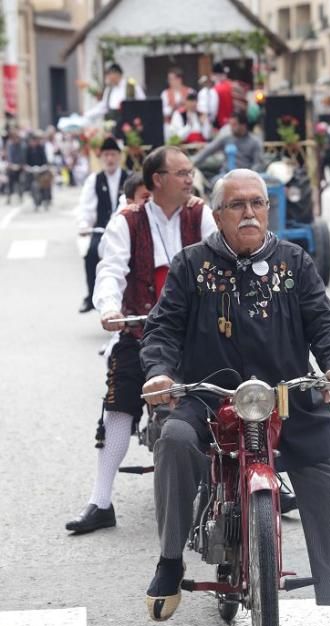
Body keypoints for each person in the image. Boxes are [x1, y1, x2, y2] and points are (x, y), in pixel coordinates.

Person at [139, 168, 330, 626]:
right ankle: (169, 558)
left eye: (257, 204)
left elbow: (325, 324)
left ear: (268, 210)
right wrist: (160, 374)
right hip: (207, 397)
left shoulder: (295, 262)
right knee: (174, 441)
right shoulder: (190, 265)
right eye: (237, 205)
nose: (249, 213)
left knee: (328, 478)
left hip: (286, 397)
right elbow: (162, 330)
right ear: (218, 215)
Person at [65, 146, 217, 534]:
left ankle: (255, 478)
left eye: (190, 172)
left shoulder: (201, 214)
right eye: (181, 173)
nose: (190, 179)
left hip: (195, 331)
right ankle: (101, 501)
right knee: (118, 405)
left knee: (236, 391)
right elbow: (111, 270)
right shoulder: (126, 221)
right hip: (140, 329)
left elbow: (221, 259)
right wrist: (109, 308)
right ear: (157, 180)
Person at [77, 136, 128, 313]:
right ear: (101, 158)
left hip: (125, 229)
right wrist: (84, 224)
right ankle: (91, 296)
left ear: (119, 156)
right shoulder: (94, 180)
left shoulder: (129, 178)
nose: (109, 159)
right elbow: (86, 206)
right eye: (106, 155)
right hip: (102, 230)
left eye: (113, 154)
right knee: (91, 254)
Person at [192, 111, 264, 173]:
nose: (231, 127)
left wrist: (248, 176)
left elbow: (258, 164)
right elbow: (208, 150)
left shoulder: (254, 142)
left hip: (245, 177)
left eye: (234, 125)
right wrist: (192, 163)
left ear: (243, 125)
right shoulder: (226, 139)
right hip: (225, 175)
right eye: (230, 124)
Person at [6, 129, 26, 204]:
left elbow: (23, 156)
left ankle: (21, 196)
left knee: (20, 182)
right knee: (10, 183)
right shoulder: (10, 145)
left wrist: (21, 165)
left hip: (20, 167)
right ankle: (9, 197)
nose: (15, 140)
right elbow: (9, 156)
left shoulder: (22, 145)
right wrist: (10, 165)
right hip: (12, 167)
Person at [212, 62, 233, 128]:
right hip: (234, 122)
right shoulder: (232, 85)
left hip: (221, 124)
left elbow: (213, 110)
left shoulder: (215, 90)